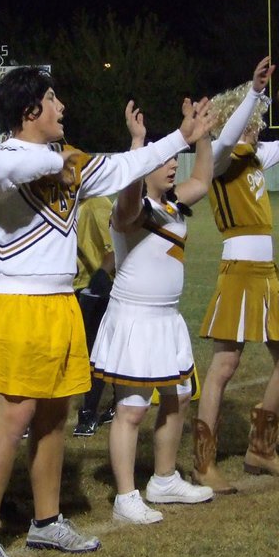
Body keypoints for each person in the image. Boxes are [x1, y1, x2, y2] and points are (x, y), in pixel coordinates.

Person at [0, 65, 214, 557]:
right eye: (52, 100)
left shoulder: (70, 159)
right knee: (12, 419)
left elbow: (128, 165)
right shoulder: (2, 157)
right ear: (30, 110)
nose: (62, 108)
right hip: (15, 302)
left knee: (55, 417)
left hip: (60, 301)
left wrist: (179, 138)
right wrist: (63, 162)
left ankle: (46, 519)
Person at [192, 57, 279, 491]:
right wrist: (256, 92)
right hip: (240, 269)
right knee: (225, 364)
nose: (259, 124)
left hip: (267, 271)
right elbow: (224, 138)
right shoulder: (220, 157)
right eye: (254, 117)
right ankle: (203, 463)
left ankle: (261, 450)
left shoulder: (257, 154)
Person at [92, 102, 217, 524]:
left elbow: (203, 177)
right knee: (131, 408)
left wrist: (202, 135)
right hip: (135, 318)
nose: (171, 166)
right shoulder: (130, 208)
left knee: (178, 396)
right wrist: (137, 146)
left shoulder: (174, 202)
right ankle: (125, 497)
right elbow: (127, 212)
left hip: (167, 318)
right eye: (162, 160)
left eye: (172, 158)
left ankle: (163, 479)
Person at [71, 193, 115, 436]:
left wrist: (100, 278)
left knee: (94, 352)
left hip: (98, 288)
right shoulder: (74, 203)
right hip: (79, 285)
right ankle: (116, 403)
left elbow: (115, 247)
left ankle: (88, 413)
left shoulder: (97, 204)